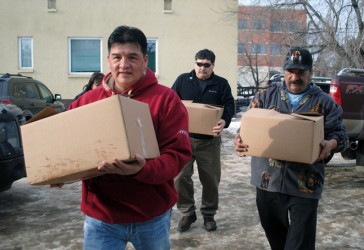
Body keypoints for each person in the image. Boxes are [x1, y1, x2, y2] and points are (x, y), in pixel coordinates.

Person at [60, 25, 192, 250]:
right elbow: (68, 150)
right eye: (117, 57)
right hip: (102, 217)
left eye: (132, 57)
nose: (124, 65)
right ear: (108, 60)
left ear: (145, 61)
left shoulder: (167, 100)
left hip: (152, 215)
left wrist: (142, 170)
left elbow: (177, 155)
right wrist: (59, 172)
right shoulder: (85, 102)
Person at [234, 47, 348, 250]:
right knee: (276, 236)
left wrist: (330, 145)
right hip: (268, 181)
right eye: (290, 72)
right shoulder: (265, 96)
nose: (295, 77)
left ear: (310, 73)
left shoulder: (324, 102)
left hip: (305, 184)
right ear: (284, 72)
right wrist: (240, 139)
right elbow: (247, 127)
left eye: (301, 72)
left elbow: (341, 136)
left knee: (299, 243)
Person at [171, 49, 235, 232]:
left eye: (206, 65)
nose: (202, 68)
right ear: (195, 63)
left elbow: (230, 105)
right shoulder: (183, 80)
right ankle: (187, 212)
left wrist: (225, 120)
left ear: (213, 65)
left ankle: (209, 214)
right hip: (185, 139)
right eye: (199, 64)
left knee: (211, 180)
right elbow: (171, 102)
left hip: (209, 141)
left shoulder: (221, 84)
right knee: (180, 177)